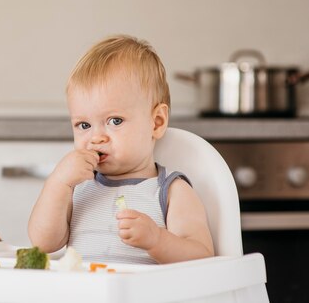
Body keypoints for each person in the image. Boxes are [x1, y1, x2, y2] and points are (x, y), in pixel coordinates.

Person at [28, 35, 214, 264]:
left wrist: (157, 240)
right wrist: (57, 183)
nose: (96, 138)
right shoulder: (77, 187)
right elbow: (43, 244)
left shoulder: (170, 191)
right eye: (84, 125)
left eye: (114, 121)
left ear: (156, 122)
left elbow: (202, 256)